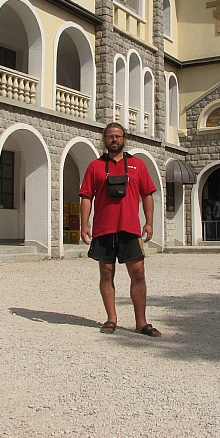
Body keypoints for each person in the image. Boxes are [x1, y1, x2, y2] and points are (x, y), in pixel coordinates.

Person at [79, 122, 161, 337]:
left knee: (138, 273)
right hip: (103, 229)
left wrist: (149, 222)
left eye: (118, 136)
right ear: (104, 139)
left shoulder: (138, 165)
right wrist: (84, 224)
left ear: (124, 139)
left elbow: (147, 194)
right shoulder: (94, 166)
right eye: (110, 136)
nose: (114, 139)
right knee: (106, 273)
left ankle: (141, 322)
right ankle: (111, 318)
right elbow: (86, 196)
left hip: (130, 228)